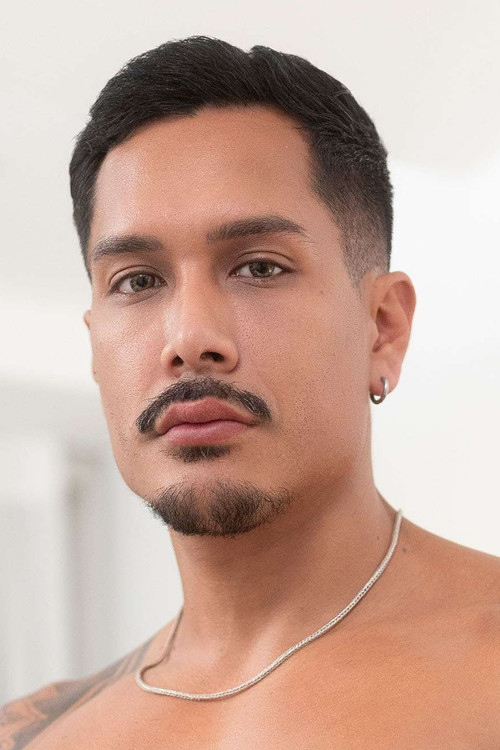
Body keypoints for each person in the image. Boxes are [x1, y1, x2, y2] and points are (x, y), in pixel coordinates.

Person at [1, 35, 499, 749]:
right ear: (94, 347)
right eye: (137, 281)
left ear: (382, 328)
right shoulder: (39, 734)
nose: (189, 338)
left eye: (259, 268)